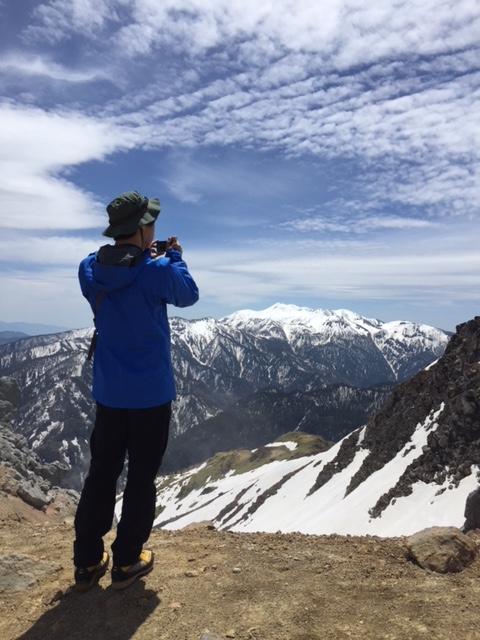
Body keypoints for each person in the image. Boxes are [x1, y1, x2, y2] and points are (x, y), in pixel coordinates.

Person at [73, 190, 199, 592]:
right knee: (141, 478)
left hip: (109, 392)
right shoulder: (156, 272)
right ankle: (127, 559)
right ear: (143, 229)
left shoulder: (89, 269)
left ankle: (87, 561)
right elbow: (188, 294)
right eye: (152, 225)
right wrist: (173, 256)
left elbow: (103, 264)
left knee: (101, 473)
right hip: (150, 396)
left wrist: (142, 254)